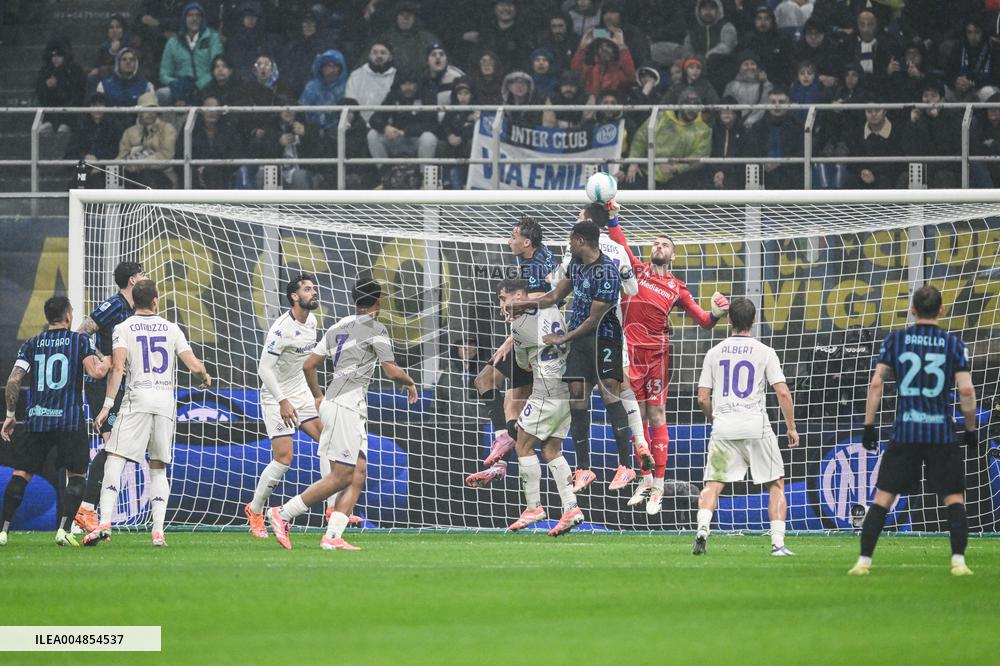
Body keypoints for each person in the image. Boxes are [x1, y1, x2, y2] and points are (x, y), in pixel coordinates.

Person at [267, 277, 418, 551]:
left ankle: (333, 535)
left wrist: (317, 395)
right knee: (341, 475)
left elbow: (310, 364)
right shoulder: (375, 328)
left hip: (339, 403)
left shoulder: (338, 326)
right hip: (346, 406)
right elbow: (390, 370)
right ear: (378, 302)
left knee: (357, 473)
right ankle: (283, 513)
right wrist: (409, 382)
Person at [604, 204, 731, 513]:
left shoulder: (677, 288)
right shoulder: (635, 269)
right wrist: (612, 217)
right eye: (655, 243)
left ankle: (658, 486)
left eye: (664, 245)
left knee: (657, 417)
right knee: (638, 420)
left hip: (658, 356)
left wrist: (716, 312)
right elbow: (618, 240)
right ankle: (645, 480)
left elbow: (703, 320)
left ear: (673, 255)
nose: (658, 247)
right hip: (629, 354)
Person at [850, 285, 977, 576]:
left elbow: (876, 384)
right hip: (941, 433)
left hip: (906, 431)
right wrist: (970, 429)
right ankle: (958, 562)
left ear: (912, 310)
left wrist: (869, 425)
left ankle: (863, 563)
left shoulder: (896, 341)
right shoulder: (953, 344)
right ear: (942, 311)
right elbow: (966, 390)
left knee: (883, 497)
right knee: (954, 498)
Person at [510, 219, 641, 494]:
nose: (569, 244)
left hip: (604, 339)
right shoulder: (576, 265)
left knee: (610, 396)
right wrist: (523, 305)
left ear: (581, 241)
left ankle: (625, 466)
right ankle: (584, 468)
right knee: (577, 397)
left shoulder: (607, 271)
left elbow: (595, 319)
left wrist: (563, 337)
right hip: (579, 342)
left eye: (571, 240)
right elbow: (554, 295)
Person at [84, 279, 211, 547]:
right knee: (158, 466)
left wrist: (107, 406)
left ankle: (104, 521)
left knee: (115, 458)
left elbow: (117, 368)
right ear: (156, 300)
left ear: (135, 301)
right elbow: (193, 364)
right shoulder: (171, 328)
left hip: (136, 400)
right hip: (165, 402)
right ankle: (158, 532)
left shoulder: (123, 327)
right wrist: (204, 375)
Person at [245, 274, 363, 538]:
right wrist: (282, 401)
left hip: (300, 391)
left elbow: (307, 363)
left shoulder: (312, 320)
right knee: (284, 457)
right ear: (294, 297)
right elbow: (264, 368)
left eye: (314, 288)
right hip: (276, 395)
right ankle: (255, 509)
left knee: (328, 439)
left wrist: (314, 394)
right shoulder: (281, 329)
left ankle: (332, 509)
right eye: (308, 289)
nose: (314, 292)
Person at [0, 297, 110, 547]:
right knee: (77, 474)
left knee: (21, 474)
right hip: (69, 420)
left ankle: (3, 531)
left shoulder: (32, 343)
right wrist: (109, 361)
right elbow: (95, 372)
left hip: (37, 419)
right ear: (68, 316)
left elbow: (14, 380)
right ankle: (64, 530)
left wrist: (9, 415)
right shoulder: (80, 341)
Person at [693, 297, 799, 556]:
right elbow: (783, 393)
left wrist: (713, 419)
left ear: (728, 320)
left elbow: (702, 398)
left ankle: (702, 532)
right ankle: (777, 544)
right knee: (775, 484)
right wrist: (791, 427)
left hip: (724, 429)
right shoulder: (765, 352)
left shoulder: (714, 353)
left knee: (713, 484)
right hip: (756, 427)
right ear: (754, 320)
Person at [466, 216, 555, 488]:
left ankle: (508, 462)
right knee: (493, 388)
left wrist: (511, 339)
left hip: (533, 343)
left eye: (513, 236)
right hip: (528, 339)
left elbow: (539, 304)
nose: (509, 240)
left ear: (526, 242)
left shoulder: (534, 267)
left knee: (508, 402)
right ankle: (501, 459)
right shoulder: (538, 257)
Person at [499, 279, 586, 537]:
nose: (502, 306)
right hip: (569, 386)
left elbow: (523, 364)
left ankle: (533, 507)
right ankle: (571, 508)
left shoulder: (519, 325)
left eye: (504, 299)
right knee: (550, 449)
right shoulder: (550, 306)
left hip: (546, 389)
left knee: (523, 445)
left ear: (519, 295)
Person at [72, 261, 144, 533]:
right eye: (143, 274)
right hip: (102, 388)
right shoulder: (114, 305)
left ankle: (90, 514)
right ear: (133, 280)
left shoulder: (134, 310)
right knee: (113, 446)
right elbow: (81, 332)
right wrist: (99, 359)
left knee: (115, 448)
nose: (146, 277)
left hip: (121, 386)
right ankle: (86, 511)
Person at [622, 87, 712, 189]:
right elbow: (641, 139)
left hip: (678, 175)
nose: (692, 110)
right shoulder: (661, 117)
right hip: (648, 170)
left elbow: (699, 157)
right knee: (629, 181)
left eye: (695, 106)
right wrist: (634, 162)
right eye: (688, 105)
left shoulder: (703, 130)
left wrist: (675, 169)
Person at [157, 2, 223, 105]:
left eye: (198, 15)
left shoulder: (212, 38)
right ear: (184, 18)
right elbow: (164, 73)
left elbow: (216, 66)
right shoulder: (173, 42)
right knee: (162, 94)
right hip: (179, 88)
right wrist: (177, 85)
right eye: (190, 15)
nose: (194, 19)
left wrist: (198, 85)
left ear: (202, 18)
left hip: (206, 86)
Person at [116, 91, 178, 189]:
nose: (150, 113)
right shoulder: (129, 132)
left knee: (146, 176)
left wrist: (140, 163)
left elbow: (166, 156)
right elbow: (121, 158)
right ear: (139, 111)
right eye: (146, 109)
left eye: (153, 109)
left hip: (163, 176)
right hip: (134, 175)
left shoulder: (167, 129)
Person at [35, 39, 86, 135]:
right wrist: (46, 85)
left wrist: (61, 84)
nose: (55, 59)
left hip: (70, 105)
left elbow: (78, 90)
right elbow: (39, 90)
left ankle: (66, 123)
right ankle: (49, 122)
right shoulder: (46, 70)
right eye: (53, 56)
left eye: (59, 55)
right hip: (51, 105)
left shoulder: (74, 69)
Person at [191, 96, 243, 189]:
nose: (212, 112)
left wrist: (215, 168)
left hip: (222, 175)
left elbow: (236, 155)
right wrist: (198, 169)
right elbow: (181, 154)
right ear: (202, 110)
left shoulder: (228, 130)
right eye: (209, 108)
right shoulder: (192, 129)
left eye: (215, 109)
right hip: (195, 175)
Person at [571, 28, 636, 97]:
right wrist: (582, 47)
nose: (604, 49)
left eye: (608, 46)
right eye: (601, 46)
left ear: (615, 51)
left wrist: (621, 46)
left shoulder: (620, 73)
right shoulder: (590, 71)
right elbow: (575, 73)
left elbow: (631, 76)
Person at [345, 41, 397, 124]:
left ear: (390, 57)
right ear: (369, 56)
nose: (379, 56)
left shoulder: (397, 76)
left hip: (389, 128)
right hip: (360, 126)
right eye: (375, 53)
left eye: (383, 53)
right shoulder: (356, 75)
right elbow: (350, 101)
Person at [298, 49, 348, 133]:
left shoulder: (346, 87)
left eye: (335, 66)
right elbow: (301, 111)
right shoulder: (311, 87)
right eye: (328, 66)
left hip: (338, 133)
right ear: (321, 67)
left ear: (341, 68)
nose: (332, 70)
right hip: (311, 132)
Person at [722, 51, 773, 127]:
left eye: (752, 64)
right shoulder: (731, 86)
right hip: (737, 126)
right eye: (746, 64)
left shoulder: (765, 85)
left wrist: (750, 122)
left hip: (758, 126)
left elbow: (765, 107)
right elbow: (727, 108)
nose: (750, 67)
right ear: (739, 67)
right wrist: (737, 123)